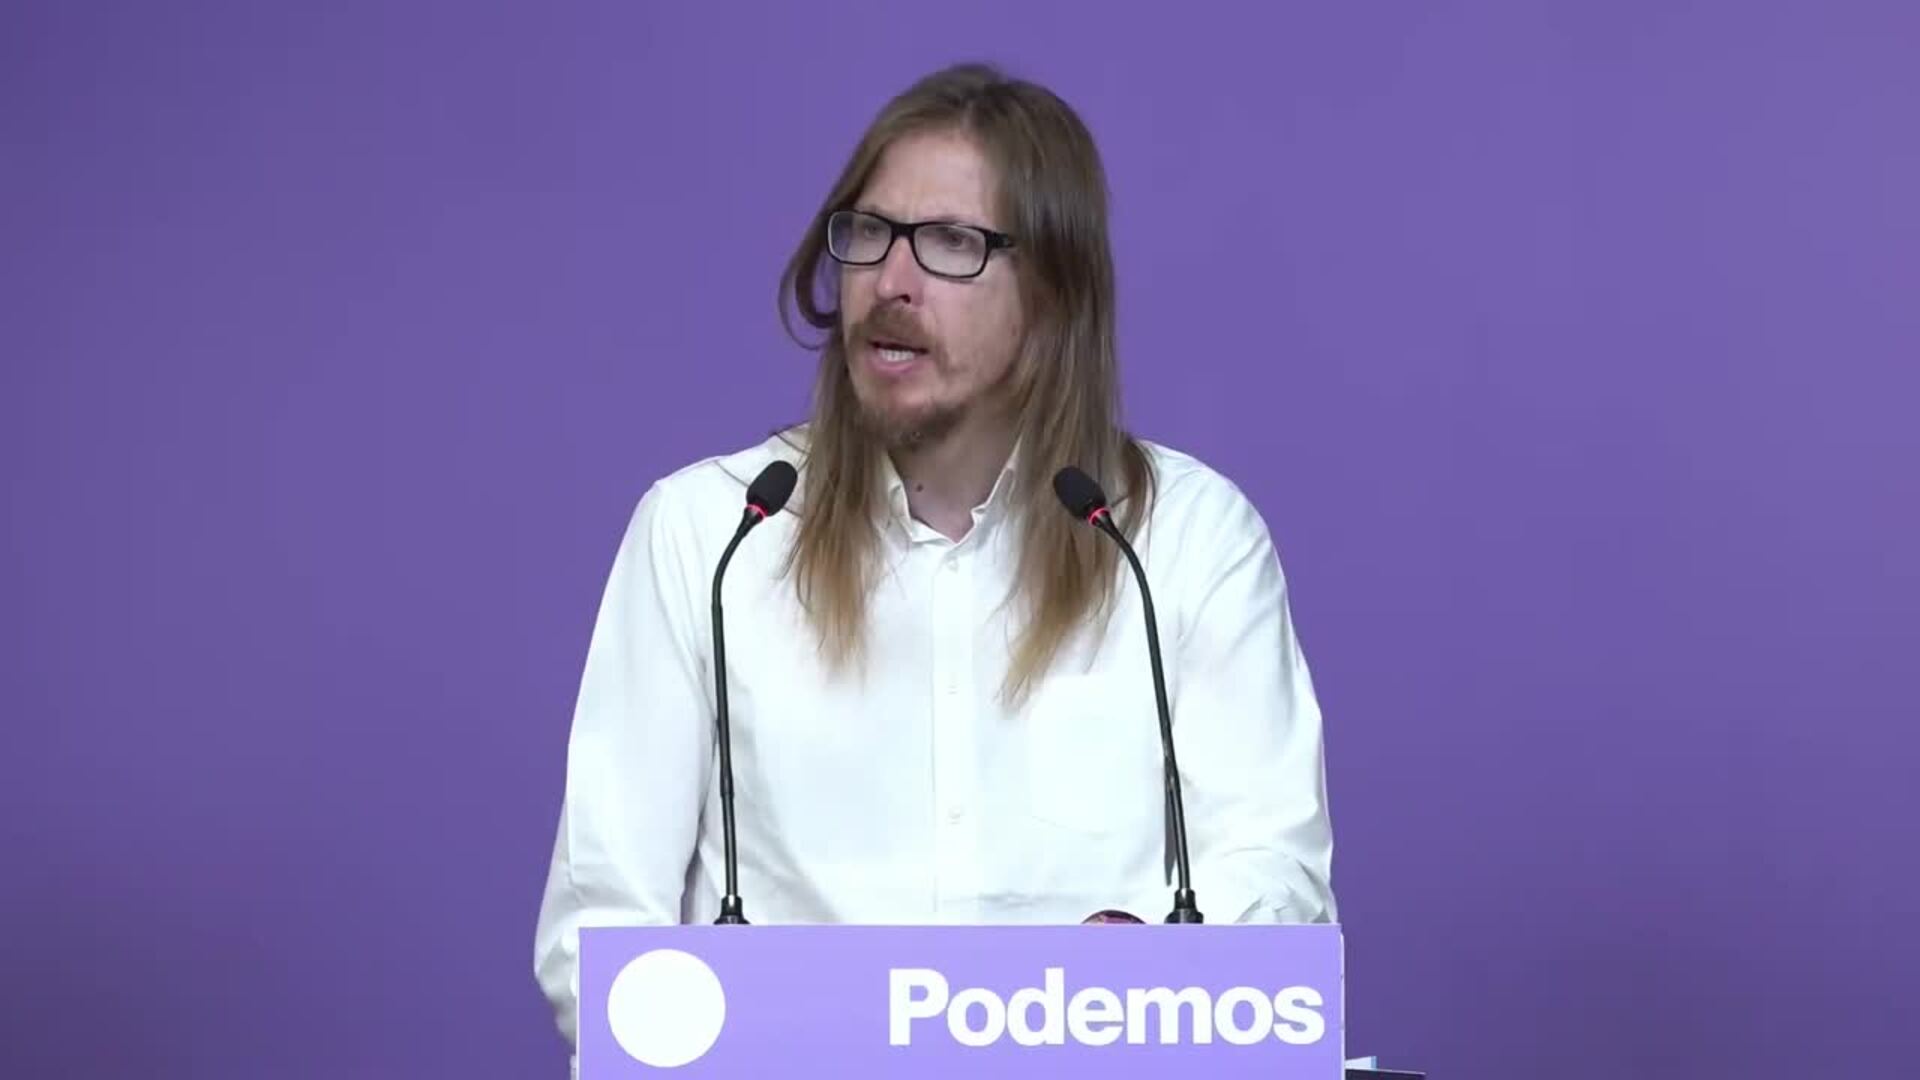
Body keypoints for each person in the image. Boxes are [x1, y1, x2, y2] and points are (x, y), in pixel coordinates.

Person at [532, 61, 1335, 1053]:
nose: (891, 282)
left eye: (951, 243)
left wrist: (1153, 976)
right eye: (869, 234)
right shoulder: (709, 537)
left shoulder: (1184, 541)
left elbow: (1279, 887)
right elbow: (600, 932)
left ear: (1052, 295)